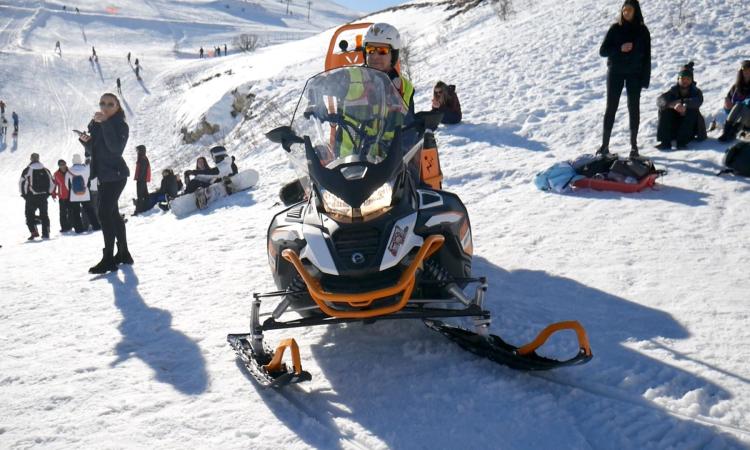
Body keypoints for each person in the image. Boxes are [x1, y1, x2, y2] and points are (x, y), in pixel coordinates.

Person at [78, 92, 131, 274]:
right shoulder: (97, 124)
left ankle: (108, 258)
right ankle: (123, 253)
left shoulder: (120, 125)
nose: (105, 107)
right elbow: (97, 151)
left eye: (110, 104)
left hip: (116, 176)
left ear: (117, 107)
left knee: (103, 212)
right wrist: (86, 142)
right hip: (102, 175)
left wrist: (105, 124)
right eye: (103, 103)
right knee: (113, 214)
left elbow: (115, 149)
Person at [597, 0, 651, 159]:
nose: (626, 13)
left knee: (634, 108)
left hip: (635, 74)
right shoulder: (615, 28)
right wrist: (619, 49)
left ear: (636, 11)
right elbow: (603, 51)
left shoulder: (643, 31)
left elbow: (647, 57)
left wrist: (645, 79)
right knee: (611, 107)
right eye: (624, 10)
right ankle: (604, 146)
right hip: (616, 73)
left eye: (629, 10)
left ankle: (634, 147)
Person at [655, 62, 706, 150]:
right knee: (663, 109)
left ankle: (682, 142)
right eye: (683, 78)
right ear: (678, 79)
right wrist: (672, 105)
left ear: (691, 80)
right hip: (675, 123)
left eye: (688, 79)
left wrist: (683, 104)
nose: (685, 81)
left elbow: (698, 101)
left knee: (692, 111)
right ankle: (665, 142)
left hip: (690, 128)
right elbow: (660, 100)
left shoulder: (696, 92)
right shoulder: (673, 91)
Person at [19, 153, 55, 240]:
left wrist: (24, 195)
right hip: (43, 196)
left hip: (31, 197)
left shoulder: (28, 170)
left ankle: (34, 232)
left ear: (31, 159)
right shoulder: (45, 170)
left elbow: (22, 183)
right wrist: (48, 193)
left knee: (29, 215)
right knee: (44, 215)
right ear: (38, 158)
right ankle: (46, 233)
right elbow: (52, 183)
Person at [66, 153, 101, 233]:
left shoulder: (70, 170)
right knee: (89, 210)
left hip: (74, 195)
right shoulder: (86, 169)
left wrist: (72, 191)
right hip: (85, 193)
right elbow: (89, 178)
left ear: (73, 160)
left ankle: (78, 229)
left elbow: (66, 184)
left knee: (76, 212)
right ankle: (96, 226)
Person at [718, 60, 750, 142]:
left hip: (747, 119)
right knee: (738, 105)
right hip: (736, 117)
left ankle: (733, 132)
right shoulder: (736, 87)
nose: (747, 72)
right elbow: (728, 106)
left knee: (746, 107)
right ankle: (726, 132)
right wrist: (727, 105)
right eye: (745, 70)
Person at [53, 159, 73, 232]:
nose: (62, 166)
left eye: (63, 164)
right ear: (59, 166)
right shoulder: (56, 174)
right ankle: (64, 227)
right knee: (62, 213)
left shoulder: (71, 171)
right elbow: (54, 184)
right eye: (61, 165)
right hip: (62, 196)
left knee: (71, 211)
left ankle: (70, 225)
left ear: (66, 164)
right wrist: (53, 193)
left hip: (71, 195)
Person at [133, 144, 151, 214]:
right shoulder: (143, 157)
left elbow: (142, 171)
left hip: (141, 180)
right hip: (142, 180)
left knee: (140, 195)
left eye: (138, 150)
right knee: (145, 194)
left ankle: (139, 210)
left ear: (141, 151)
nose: (137, 152)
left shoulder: (142, 159)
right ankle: (147, 207)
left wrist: (139, 179)